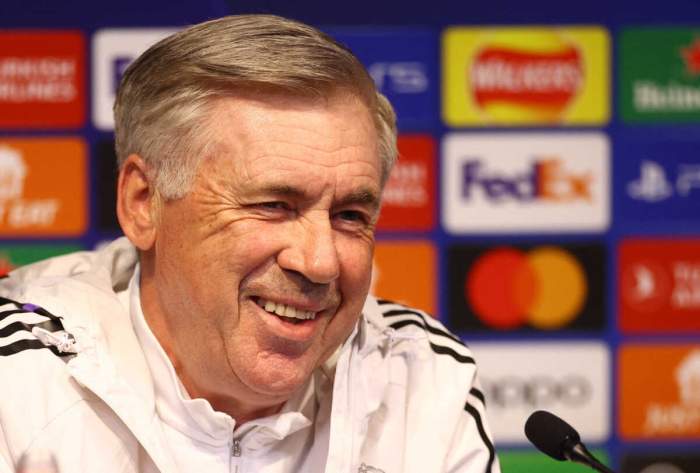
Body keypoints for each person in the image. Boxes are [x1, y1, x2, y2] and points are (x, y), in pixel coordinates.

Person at [0, 15, 499, 473]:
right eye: (273, 205)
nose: (320, 262)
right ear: (143, 203)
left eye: (349, 216)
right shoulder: (17, 382)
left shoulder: (420, 379)